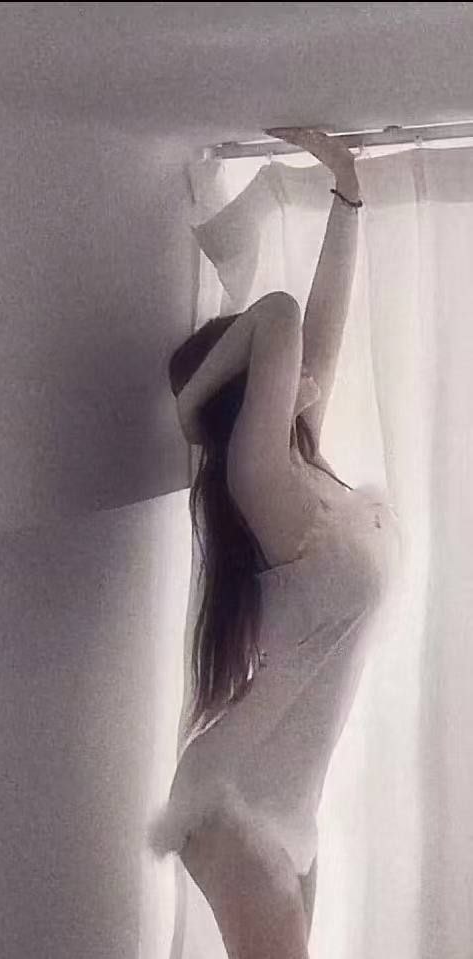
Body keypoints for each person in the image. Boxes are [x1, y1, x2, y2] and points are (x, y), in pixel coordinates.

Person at [147, 129, 402, 959]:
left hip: (290, 799)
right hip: (234, 799)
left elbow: (315, 323)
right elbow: (281, 314)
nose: (302, 368)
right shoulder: (259, 485)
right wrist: (192, 410)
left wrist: (346, 187)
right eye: (277, 372)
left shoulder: (301, 473)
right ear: (252, 398)